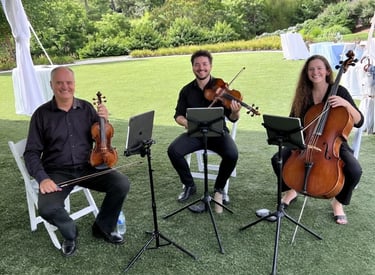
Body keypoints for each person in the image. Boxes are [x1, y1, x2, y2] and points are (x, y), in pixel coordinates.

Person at [24, 66, 130, 256]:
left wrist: (103, 119)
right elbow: (31, 152)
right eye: (59, 83)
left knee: (121, 183)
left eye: (69, 82)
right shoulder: (41, 115)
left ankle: (103, 228)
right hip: (57, 171)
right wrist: (43, 178)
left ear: (74, 85)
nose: (65, 87)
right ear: (51, 85)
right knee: (47, 208)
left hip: (88, 166)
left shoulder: (86, 108)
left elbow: (101, 135)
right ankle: (70, 233)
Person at [271, 55, 363, 225]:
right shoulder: (303, 94)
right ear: (306, 73)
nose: (315, 72)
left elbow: (359, 121)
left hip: (332, 143)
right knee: (278, 159)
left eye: (319, 68)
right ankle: (291, 190)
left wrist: (346, 104)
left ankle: (338, 203)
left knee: (354, 170)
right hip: (306, 140)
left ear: (327, 70)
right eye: (311, 69)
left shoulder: (340, 91)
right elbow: (293, 120)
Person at [167, 50, 241, 213]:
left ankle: (219, 189)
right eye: (197, 65)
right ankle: (189, 185)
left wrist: (235, 111)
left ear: (210, 66)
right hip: (196, 133)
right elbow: (178, 115)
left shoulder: (222, 89)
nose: (201, 68)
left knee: (232, 154)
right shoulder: (186, 90)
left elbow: (233, 118)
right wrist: (186, 122)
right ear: (193, 67)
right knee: (174, 150)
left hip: (218, 133)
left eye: (205, 64)